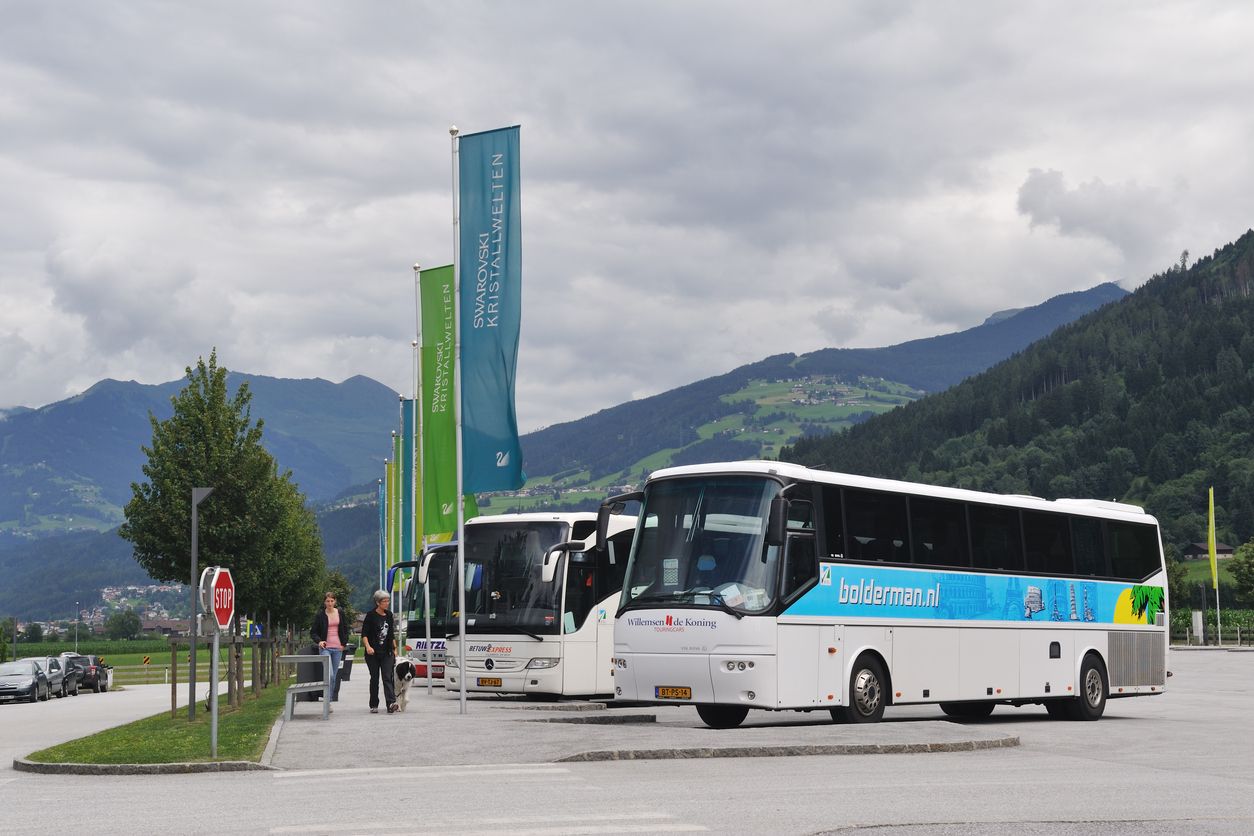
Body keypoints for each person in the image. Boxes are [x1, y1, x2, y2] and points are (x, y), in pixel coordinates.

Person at [361, 589, 398, 714]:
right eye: (384, 601)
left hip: (387, 652)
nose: (387, 603)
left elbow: (391, 634)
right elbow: (364, 634)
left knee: (387, 677)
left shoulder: (389, 615)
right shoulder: (370, 616)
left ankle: (391, 703)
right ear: (378, 602)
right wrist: (368, 647)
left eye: (388, 600)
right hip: (373, 653)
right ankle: (374, 704)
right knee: (375, 678)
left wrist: (395, 649)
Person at [310, 591, 348, 702]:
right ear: (324, 602)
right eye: (327, 601)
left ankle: (329, 700)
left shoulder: (340, 612)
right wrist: (319, 641)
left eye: (332, 601)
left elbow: (345, 629)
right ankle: (327, 699)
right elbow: (313, 632)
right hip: (325, 648)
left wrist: (343, 644)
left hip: (337, 648)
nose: (330, 603)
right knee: (329, 675)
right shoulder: (320, 615)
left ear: (335, 601)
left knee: (334, 676)